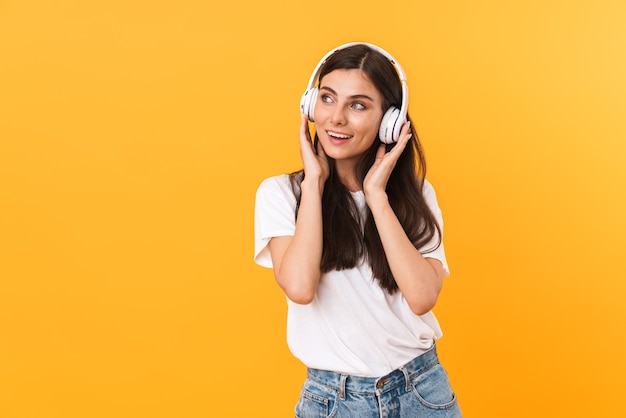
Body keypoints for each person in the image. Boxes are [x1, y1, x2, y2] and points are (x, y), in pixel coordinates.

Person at [254, 42, 462, 417]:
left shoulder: (416, 196)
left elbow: (422, 297)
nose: (336, 118)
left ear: (390, 121)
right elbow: (300, 288)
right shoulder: (281, 194)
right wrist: (314, 183)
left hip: (422, 391)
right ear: (309, 106)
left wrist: (376, 197)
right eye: (328, 99)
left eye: (358, 105)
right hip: (334, 400)